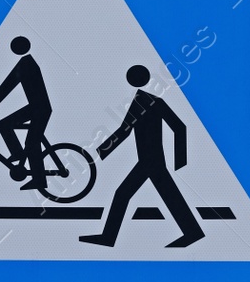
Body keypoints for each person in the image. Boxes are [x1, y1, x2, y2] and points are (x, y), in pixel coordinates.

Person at [80, 65, 205, 249]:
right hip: (150, 160)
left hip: (150, 160)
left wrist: (100, 152)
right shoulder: (150, 100)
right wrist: (180, 160)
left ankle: (108, 237)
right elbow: (177, 128)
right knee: (163, 195)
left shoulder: (142, 101)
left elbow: (125, 130)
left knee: (123, 194)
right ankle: (192, 231)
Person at [0, 35, 52, 190]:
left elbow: (8, 85)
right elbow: (8, 84)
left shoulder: (26, 64)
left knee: (31, 143)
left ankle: (39, 180)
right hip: (36, 108)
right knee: (4, 125)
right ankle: (19, 154)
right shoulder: (26, 63)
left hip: (39, 109)